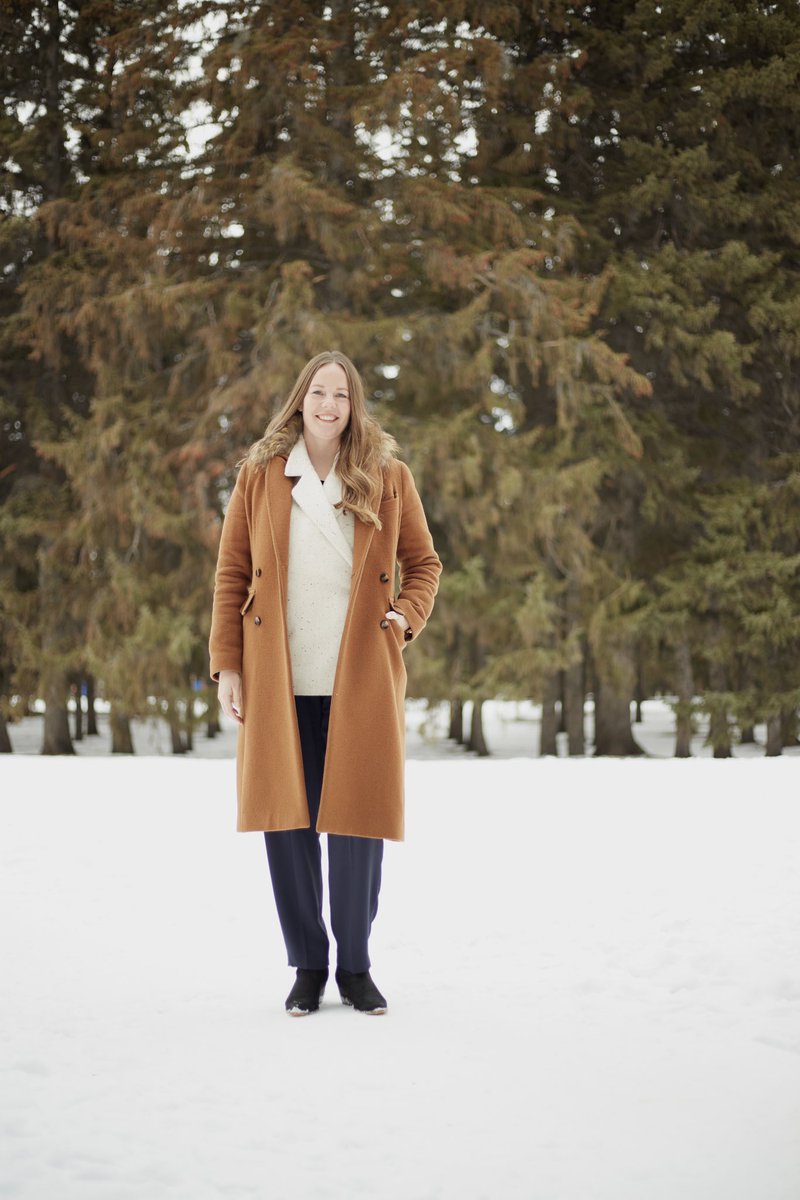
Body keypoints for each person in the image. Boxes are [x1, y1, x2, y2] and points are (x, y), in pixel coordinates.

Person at [208, 350, 442, 1017]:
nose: (329, 404)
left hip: (358, 676)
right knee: (288, 821)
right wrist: (228, 664)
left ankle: (356, 967)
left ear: (353, 405)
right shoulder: (260, 477)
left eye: (341, 394)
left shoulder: (387, 476)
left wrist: (403, 617)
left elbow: (423, 563)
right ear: (300, 399)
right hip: (277, 679)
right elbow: (231, 575)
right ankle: (309, 964)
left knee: (357, 821)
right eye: (319, 392)